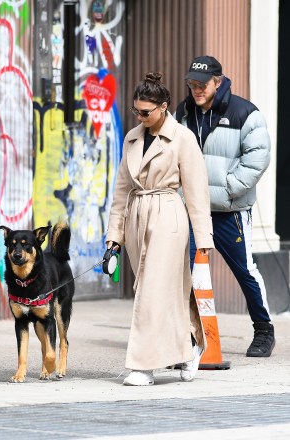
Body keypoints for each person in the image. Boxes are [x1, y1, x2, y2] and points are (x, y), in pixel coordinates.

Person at [105, 72, 214, 386]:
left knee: (153, 292)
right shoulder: (132, 137)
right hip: (138, 216)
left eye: (146, 112)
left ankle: (143, 366)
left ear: (164, 107)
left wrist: (203, 237)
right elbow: (122, 190)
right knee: (161, 293)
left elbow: (197, 190)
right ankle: (189, 346)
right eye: (136, 111)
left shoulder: (182, 138)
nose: (140, 117)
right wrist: (114, 236)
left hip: (168, 215)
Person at [176, 55, 275, 357]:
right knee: (188, 273)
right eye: (192, 83)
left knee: (245, 271)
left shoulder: (245, 112)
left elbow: (258, 156)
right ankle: (193, 334)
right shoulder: (183, 112)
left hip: (230, 212)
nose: (196, 89)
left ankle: (263, 331)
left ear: (218, 82)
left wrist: (229, 190)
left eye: (202, 84)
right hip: (193, 211)